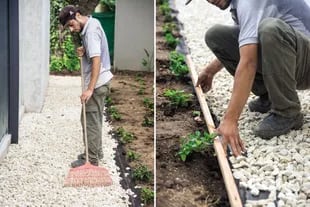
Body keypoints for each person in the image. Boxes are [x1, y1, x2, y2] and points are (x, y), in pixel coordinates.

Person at [192, 0, 310, 156]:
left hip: (305, 64)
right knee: (216, 35)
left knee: (270, 30)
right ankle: (270, 95)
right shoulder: (238, 5)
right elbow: (247, 42)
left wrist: (230, 120)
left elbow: (248, 62)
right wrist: (210, 71)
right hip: (292, 57)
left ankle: (288, 111)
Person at [59, 5, 113, 167]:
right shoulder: (93, 23)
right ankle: (97, 151)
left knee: (89, 121)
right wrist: (86, 49)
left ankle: (91, 159)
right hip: (103, 81)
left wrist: (90, 89)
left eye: (70, 24)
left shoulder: (89, 32)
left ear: (77, 15)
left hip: (96, 86)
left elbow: (96, 60)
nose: (71, 29)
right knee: (94, 120)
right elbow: (96, 49)